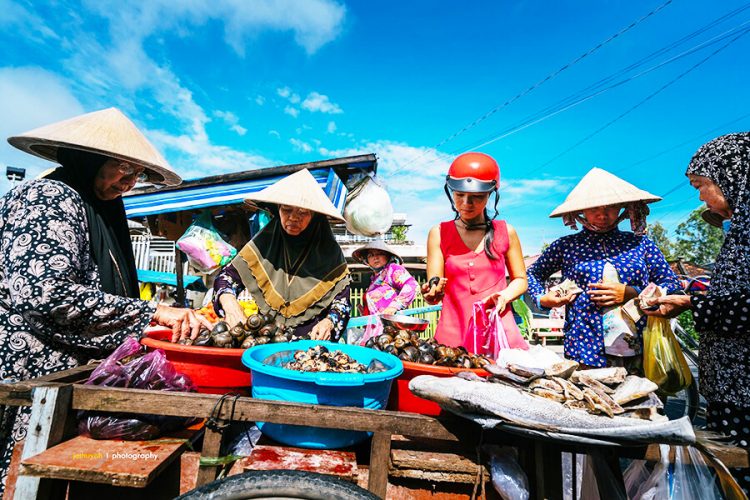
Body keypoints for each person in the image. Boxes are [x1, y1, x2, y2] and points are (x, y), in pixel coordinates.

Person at [0, 108, 212, 492]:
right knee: (27, 480)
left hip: (72, 381)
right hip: (33, 377)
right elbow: (46, 294)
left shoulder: (99, 207)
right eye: (122, 169)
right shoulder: (47, 197)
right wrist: (153, 310)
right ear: (89, 158)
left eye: (137, 175)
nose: (129, 183)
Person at [644, 132, 750, 492]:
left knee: (740, 474)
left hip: (745, 392)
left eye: (702, 185)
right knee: (729, 480)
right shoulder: (740, 230)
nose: (700, 195)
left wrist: (691, 303)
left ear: (734, 175)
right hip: (730, 388)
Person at [527, 167, 681, 368]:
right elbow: (532, 273)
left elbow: (671, 284)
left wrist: (632, 292)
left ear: (622, 208)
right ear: (580, 212)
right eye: (593, 209)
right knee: (590, 398)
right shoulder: (566, 246)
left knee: (642, 397)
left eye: (610, 207)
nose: (602, 214)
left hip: (641, 346)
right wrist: (542, 299)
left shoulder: (640, 244)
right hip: (584, 347)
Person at [214, 169, 352, 341]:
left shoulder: (330, 252)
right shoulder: (263, 242)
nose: (293, 218)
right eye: (286, 209)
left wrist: (329, 322)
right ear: (278, 209)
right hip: (265, 343)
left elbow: (342, 302)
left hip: (309, 347)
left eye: (302, 212)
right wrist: (230, 304)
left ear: (315, 216)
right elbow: (228, 276)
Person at [422, 152, 527, 351]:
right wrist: (432, 292)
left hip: (499, 332)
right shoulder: (438, 233)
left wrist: (504, 295)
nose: (465, 203)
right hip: (452, 336)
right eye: (459, 195)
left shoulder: (506, 232)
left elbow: (520, 280)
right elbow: (434, 282)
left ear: (490, 195)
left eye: (476, 197)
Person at [352, 240, 418, 316]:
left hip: (392, 325)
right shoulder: (374, 279)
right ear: (367, 260)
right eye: (371, 255)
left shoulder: (393, 269)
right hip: (374, 325)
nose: (375, 258)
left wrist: (394, 306)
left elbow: (412, 285)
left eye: (380, 253)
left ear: (388, 256)